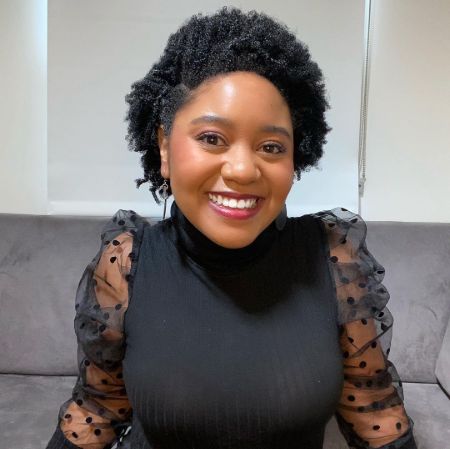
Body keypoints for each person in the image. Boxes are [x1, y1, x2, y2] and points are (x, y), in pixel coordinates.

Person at [46, 6, 417, 449]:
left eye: (271, 146)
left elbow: (376, 415)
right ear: (164, 146)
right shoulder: (126, 265)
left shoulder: (334, 262)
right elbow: (98, 408)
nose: (242, 169)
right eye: (211, 139)